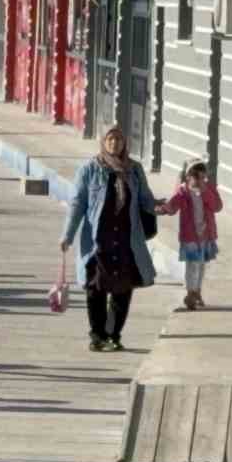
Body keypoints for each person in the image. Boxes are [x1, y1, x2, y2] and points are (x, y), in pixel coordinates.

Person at [60, 126, 159, 352]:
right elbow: (77, 204)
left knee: (122, 289)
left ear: (125, 142)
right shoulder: (89, 169)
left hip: (126, 240)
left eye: (119, 139)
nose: (115, 143)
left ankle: (114, 334)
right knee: (96, 288)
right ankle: (97, 335)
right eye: (110, 139)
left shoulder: (134, 170)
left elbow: (145, 198)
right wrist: (67, 235)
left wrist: (160, 207)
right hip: (98, 241)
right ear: (103, 142)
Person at [156, 158, 223, 311]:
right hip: (190, 236)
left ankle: (197, 292)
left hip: (206, 235)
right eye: (195, 176)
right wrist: (164, 209)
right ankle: (190, 292)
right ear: (187, 177)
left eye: (202, 177)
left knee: (201, 265)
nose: (199, 180)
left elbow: (217, 207)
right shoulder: (183, 192)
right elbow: (173, 205)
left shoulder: (209, 189)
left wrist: (205, 192)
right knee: (192, 265)